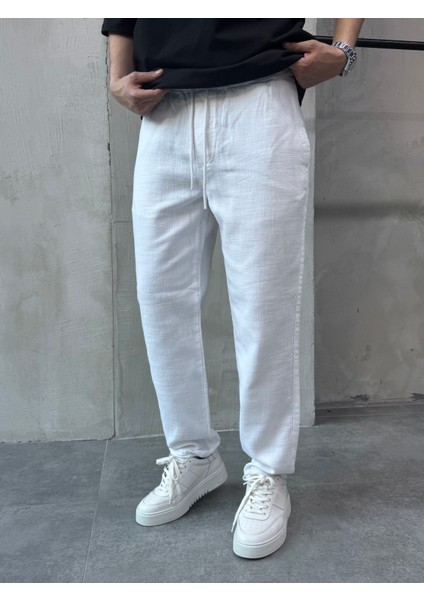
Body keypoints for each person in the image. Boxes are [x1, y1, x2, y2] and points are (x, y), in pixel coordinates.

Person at [101, 18, 364, 559]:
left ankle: (268, 471)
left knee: (263, 305)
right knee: (161, 301)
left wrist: (344, 49)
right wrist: (116, 77)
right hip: (165, 108)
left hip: (259, 101)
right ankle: (194, 456)